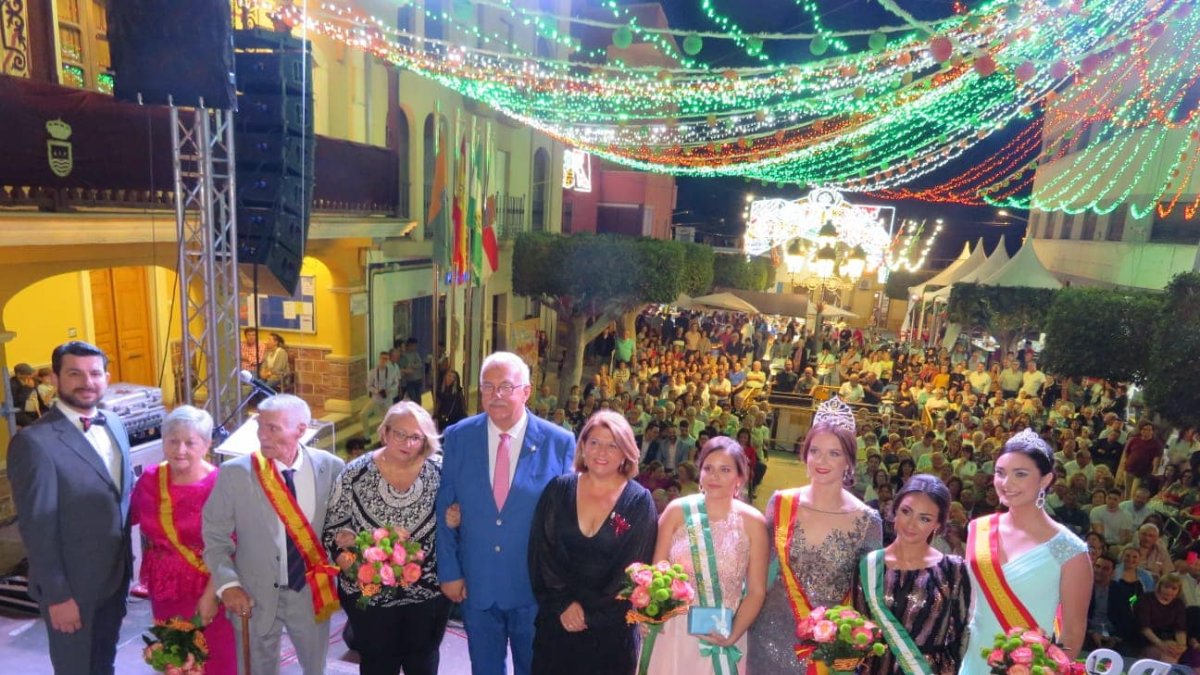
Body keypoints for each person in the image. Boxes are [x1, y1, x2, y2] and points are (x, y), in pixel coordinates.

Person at [435, 351, 576, 675]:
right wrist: (450, 571)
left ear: (526, 392)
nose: (495, 395)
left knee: (536, 668)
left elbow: (568, 522)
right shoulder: (459, 436)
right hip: (476, 584)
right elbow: (446, 506)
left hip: (535, 588)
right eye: (488, 386)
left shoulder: (560, 443)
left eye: (506, 387)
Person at [8, 341, 134, 675]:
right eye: (74, 373)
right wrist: (58, 596)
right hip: (72, 589)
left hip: (115, 579)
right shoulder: (35, 443)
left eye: (95, 373)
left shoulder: (115, 424)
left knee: (102, 664)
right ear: (55, 377)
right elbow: (37, 528)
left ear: (106, 377)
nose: (86, 382)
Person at [201, 394, 346, 675]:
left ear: (300, 430)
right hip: (253, 595)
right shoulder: (235, 473)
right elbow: (214, 537)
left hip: (311, 594)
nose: (262, 436)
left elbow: (343, 522)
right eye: (260, 427)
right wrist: (228, 584)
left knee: (316, 669)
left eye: (273, 428)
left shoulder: (331, 467)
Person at [748, 396, 883, 673]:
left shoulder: (868, 520)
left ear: (848, 459)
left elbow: (868, 597)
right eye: (815, 451)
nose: (822, 461)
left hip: (828, 650)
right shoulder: (780, 503)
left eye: (834, 453)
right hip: (768, 637)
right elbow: (758, 568)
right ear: (805, 453)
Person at [324, 401, 450, 675]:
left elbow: (461, 520)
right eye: (399, 433)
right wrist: (354, 567)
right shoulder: (354, 473)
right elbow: (333, 530)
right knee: (378, 665)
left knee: (423, 664)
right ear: (385, 432)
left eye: (416, 436)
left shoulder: (442, 472)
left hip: (427, 595)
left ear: (426, 439)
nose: (407, 442)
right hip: (369, 595)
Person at [527, 410, 657, 674]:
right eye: (594, 442)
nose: (601, 452)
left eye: (613, 445)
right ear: (582, 446)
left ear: (625, 453)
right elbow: (541, 554)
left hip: (609, 634)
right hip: (557, 625)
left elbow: (634, 570)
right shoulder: (558, 489)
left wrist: (591, 615)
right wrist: (564, 605)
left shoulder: (639, 502)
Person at [958, 429, 1092, 675]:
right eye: (1000, 473)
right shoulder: (979, 528)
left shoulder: (1070, 549)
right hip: (973, 661)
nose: (1006, 484)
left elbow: (1073, 632)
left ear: (1045, 480)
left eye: (1020, 474)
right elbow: (972, 605)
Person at [647, 437, 768, 675]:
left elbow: (756, 591)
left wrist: (734, 633)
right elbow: (655, 572)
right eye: (708, 468)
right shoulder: (677, 511)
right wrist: (648, 613)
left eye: (725, 470)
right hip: (673, 631)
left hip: (723, 631)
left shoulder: (753, 522)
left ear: (740, 477)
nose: (715, 477)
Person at [130, 406, 235, 674]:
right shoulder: (151, 479)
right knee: (174, 658)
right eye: (173, 441)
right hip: (164, 587)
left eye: (190, 442)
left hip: (209, 587)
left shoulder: (221, 485)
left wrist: (211, 596)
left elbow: (231, 548)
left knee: (213, 659)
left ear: (207, 444)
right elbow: (127, 517)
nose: (180, 450)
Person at [853, 475, 970, 675]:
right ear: (894, 511)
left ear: (938, 525)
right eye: (906, 511)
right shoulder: (869, 565)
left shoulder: (953, 570)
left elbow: (958, 639)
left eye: (924, 518)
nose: (911, 524)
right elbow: (857, 627)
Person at [1135, 573, 1189, 663]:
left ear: (1178, 591)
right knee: (1167, 655)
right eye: (1166, 587)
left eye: (1174, 588)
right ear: (1160, 586)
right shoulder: (1146, 599)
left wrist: (1181, 646)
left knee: (1173, 653)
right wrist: (1161, 644)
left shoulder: (1179, 603)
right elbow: (1144, 627)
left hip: (1169, 641)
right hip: (1148, 640)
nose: (1169, 591)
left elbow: (1180, 629)